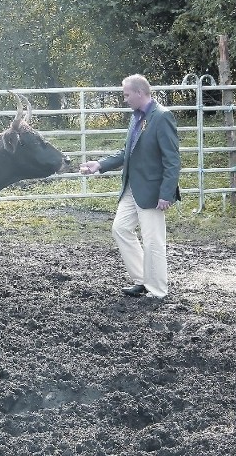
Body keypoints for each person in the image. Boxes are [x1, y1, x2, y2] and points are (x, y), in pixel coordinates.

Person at [80, 74, 181, 301]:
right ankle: (143, 279)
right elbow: (128, 152)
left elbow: (172, 160)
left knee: (153, 240)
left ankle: (157, 290)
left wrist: (166, 193)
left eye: (126, 94)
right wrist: (100, 164)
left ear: (139, 93)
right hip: (131, 187)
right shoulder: (136, 117)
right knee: (120, 229)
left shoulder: (162, 117)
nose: (124, 99)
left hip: (152, 192)